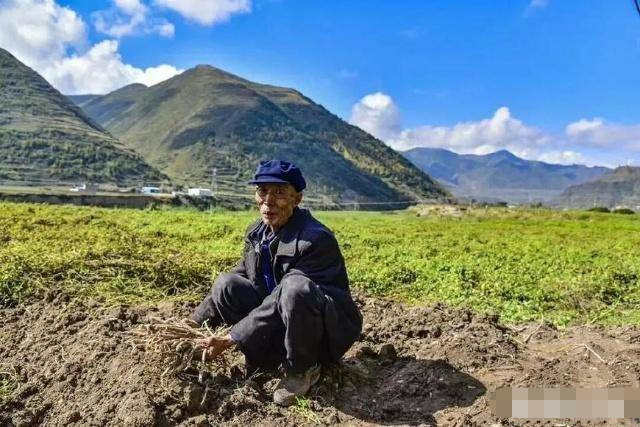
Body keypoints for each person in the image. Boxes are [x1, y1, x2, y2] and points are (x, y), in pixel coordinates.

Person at [191, 159, 362, 406]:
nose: (268, 201)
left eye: (280, 193)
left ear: (297, 198)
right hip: (282, 321)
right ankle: (265, 357)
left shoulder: (316, 240)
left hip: (322, 332)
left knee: (294, 288)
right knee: (226, 282)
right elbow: (242, 274)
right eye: (263, 191)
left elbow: (284, 297)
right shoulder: (256, 232)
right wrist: (193, 323)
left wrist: (231, 337)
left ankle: (304, 368)